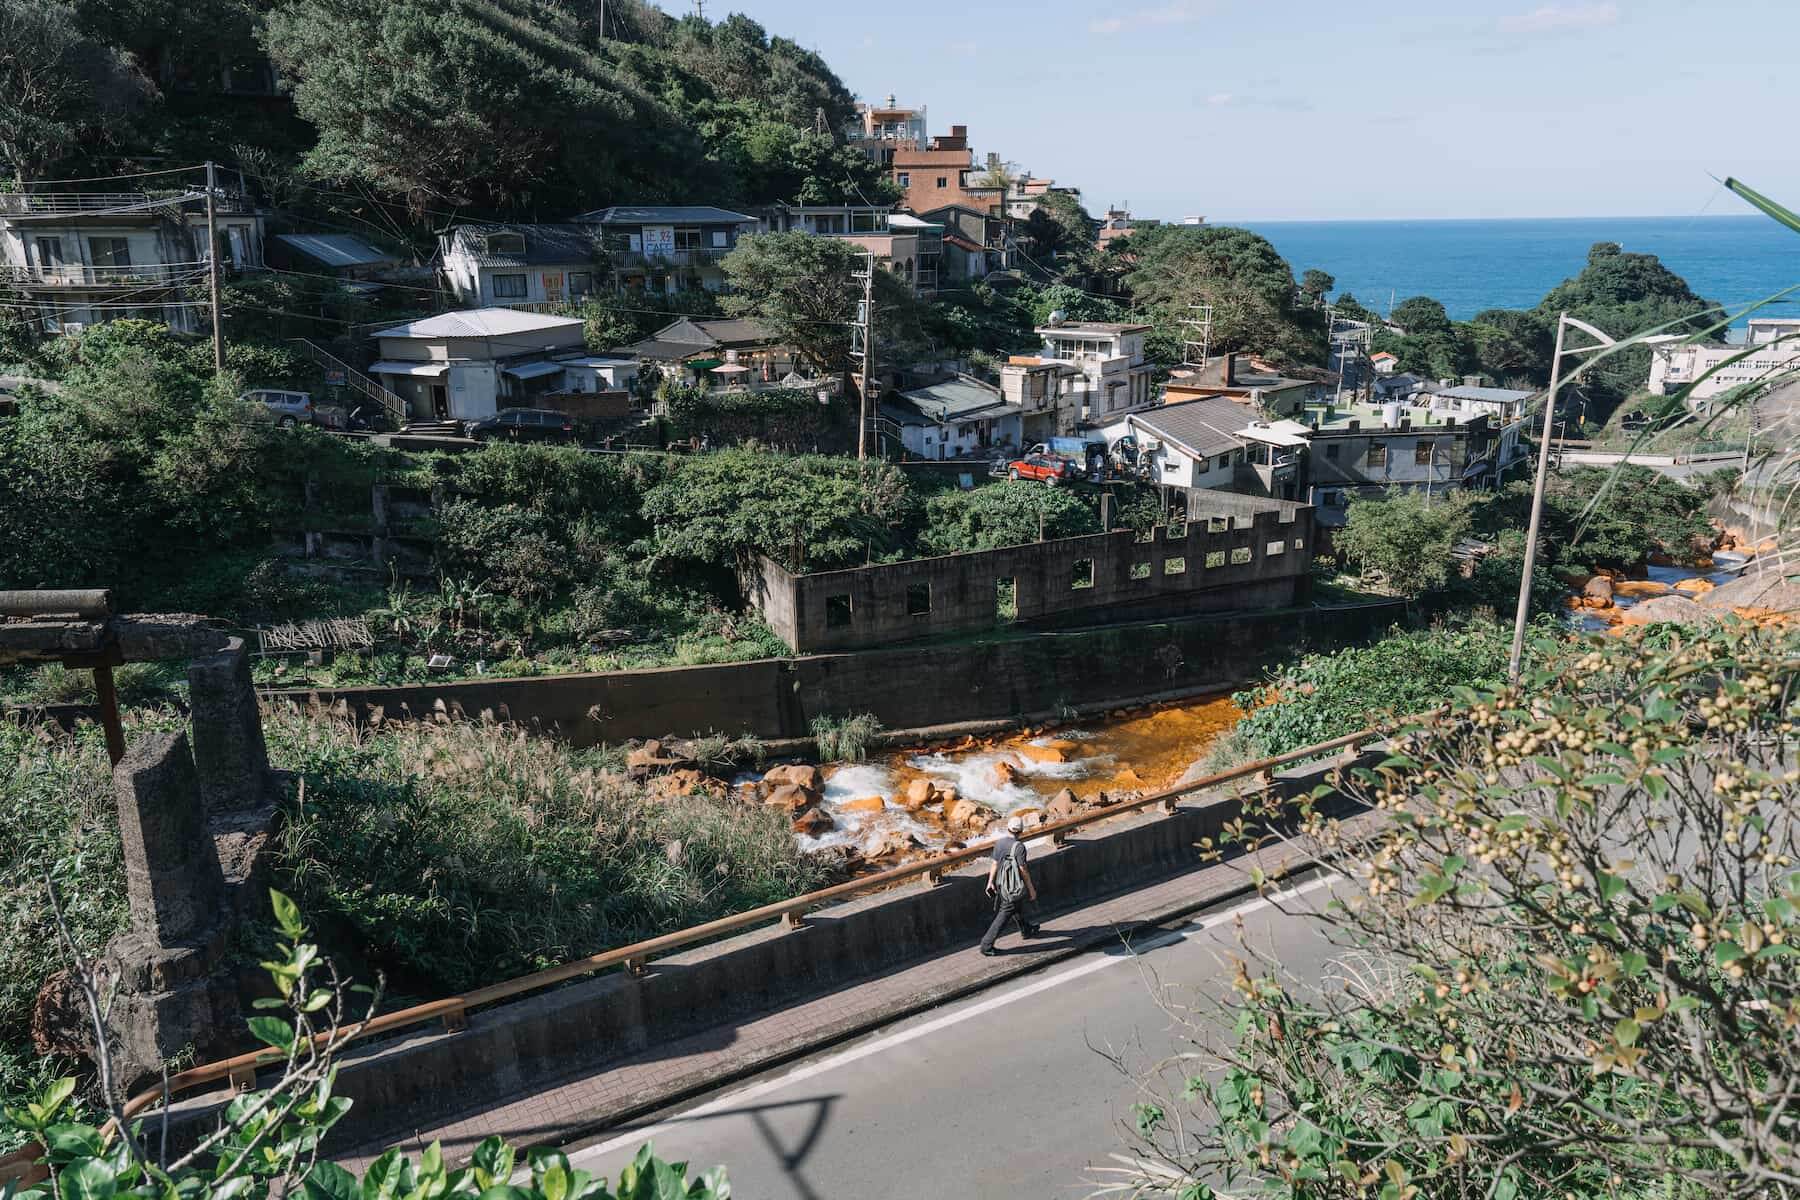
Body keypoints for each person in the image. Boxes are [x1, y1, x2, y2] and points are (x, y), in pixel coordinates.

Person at [979, 816, 1040, 956]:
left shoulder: (999, 843)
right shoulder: (1019, 847)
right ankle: (986, 945)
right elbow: (1023, 870)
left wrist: (990, 882)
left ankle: (1026, 930)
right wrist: (1031, 889)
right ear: (1021, 831)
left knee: (1015, 907)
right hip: (1013, 886)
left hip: (1001, 883)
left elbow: (994, 863)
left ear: (1008, 828)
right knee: (1005, 912)